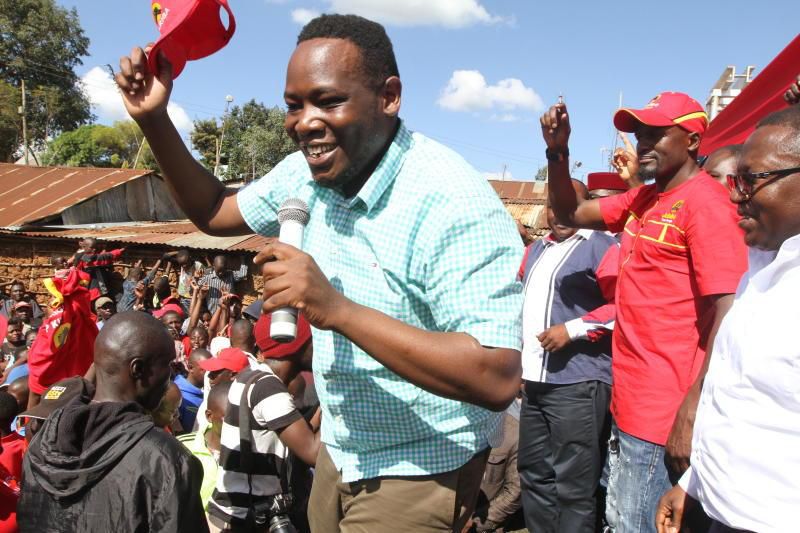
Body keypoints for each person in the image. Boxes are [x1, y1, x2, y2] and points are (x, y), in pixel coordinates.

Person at [116, 13, 523, 532]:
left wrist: (335, 309)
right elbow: (215, 209)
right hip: (341, 448)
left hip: (420, 465)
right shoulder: (305, 172)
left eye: (328, 102)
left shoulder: (452, 200)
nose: (305, 122)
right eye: (294, 105)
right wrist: (153, 118)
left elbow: (497, 375)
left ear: (389, 96)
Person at [540, 92, 747, 532]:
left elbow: (730, 312)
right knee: (619, 519)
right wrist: (558, 153)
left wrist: (692, 410)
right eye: (640, 134)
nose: (644, 143)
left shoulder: (706, 204)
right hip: (628, 403)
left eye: (656, 133)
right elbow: (570, 210)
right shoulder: (644, 199)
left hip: (664, 414)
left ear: (692, 140)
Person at [655, 105, 800, 533]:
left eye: (752, 180)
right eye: (735, 181)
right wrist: (694, 483)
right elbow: (741, 397)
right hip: (721, 507)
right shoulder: (759, 267)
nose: (735, 196)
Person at [17, 312, 209, 532]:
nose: (171, 376)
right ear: (138, 369)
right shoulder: (166, 460)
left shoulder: (41, 444)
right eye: (167, 365)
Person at [517, 183, 619, 533]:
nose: (558, 212)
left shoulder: (601, 246)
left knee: (573, 487)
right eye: (552, 204)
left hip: (578, 382)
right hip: (534, 382)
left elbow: (626, 304)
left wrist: (573, 329)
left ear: (585, 206)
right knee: (534, 474)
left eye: (568, 204)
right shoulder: (535, 250)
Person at [177, 380, 230, 512]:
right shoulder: (182, 448)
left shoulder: (252, 451)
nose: (236, 424)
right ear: (209, 416)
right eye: (228, 419)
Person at [176, 349, 211, 431]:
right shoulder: (178, 395)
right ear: (190, 368)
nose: (210, 374)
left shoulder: (208, 391)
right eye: (206, 370)